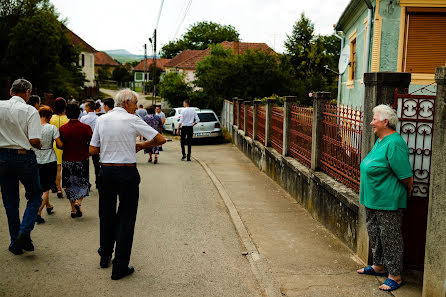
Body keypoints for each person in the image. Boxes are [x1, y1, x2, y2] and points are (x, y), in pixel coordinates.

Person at [90, 89, 166, 280]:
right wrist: (141, 146)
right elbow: (160, 139)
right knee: (126, 217)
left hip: (105, 171)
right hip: (126, 171)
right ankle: (119, 266)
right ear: (127, 103)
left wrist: (108, 147)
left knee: (106, 213)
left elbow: (92, 149)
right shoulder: (132, 119)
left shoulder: (102, 119)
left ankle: (105, 254)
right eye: (134, 103)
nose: (135, 107)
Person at [357, 104, 413, 292]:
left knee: (390, 237)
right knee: (375, 233)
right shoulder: (381, 140)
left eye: (374, 119)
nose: (371, 122)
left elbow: (405, 175)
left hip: (388, 200)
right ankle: (379, 265)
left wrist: (404, 190)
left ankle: (395, 276)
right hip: (373, 198)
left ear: (385, 122)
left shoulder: (395, 143)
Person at [0, 78, 42, 255]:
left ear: (10, 92)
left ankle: (15, 242)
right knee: (35, 195)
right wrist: (39, 145)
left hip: (2, 157)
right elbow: (33, 140)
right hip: (23, 156)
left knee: (10, 201)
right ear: (27, 93)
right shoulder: (30, 110)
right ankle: (24, 232)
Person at [59, 103, 93, 218]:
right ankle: (79, 201)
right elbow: (91, 142)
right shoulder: (86, 128)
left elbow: (60, 146)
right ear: (79, 113)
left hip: (68, 158)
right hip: (82, 158)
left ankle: (73, 209)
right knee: (83, 182)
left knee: (70, 184)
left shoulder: (63, 129)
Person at [35, 106, 64, 224]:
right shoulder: (52, 128)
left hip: (36, 159)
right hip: (49, 158)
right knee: (46, 188)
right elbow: (59, 144)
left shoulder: (33, 128)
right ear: (49, 116)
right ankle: (38, 212)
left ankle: (48, 206)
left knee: (41, 185)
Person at [49, 97, 69, 198]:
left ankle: (58, 189)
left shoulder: (51, 118)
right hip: (66, 146)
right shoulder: (67, 118)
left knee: (57, 169)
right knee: (67, 168)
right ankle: (66, 187)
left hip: (55, 145)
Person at [80, 100, 100, 187]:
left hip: (85, 143)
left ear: (88, 107)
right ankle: (98, 181)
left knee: (85, 164)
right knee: (96, 163)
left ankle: (86, 182)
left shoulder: (83, 118)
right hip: (96, 143)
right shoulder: (98, 118)